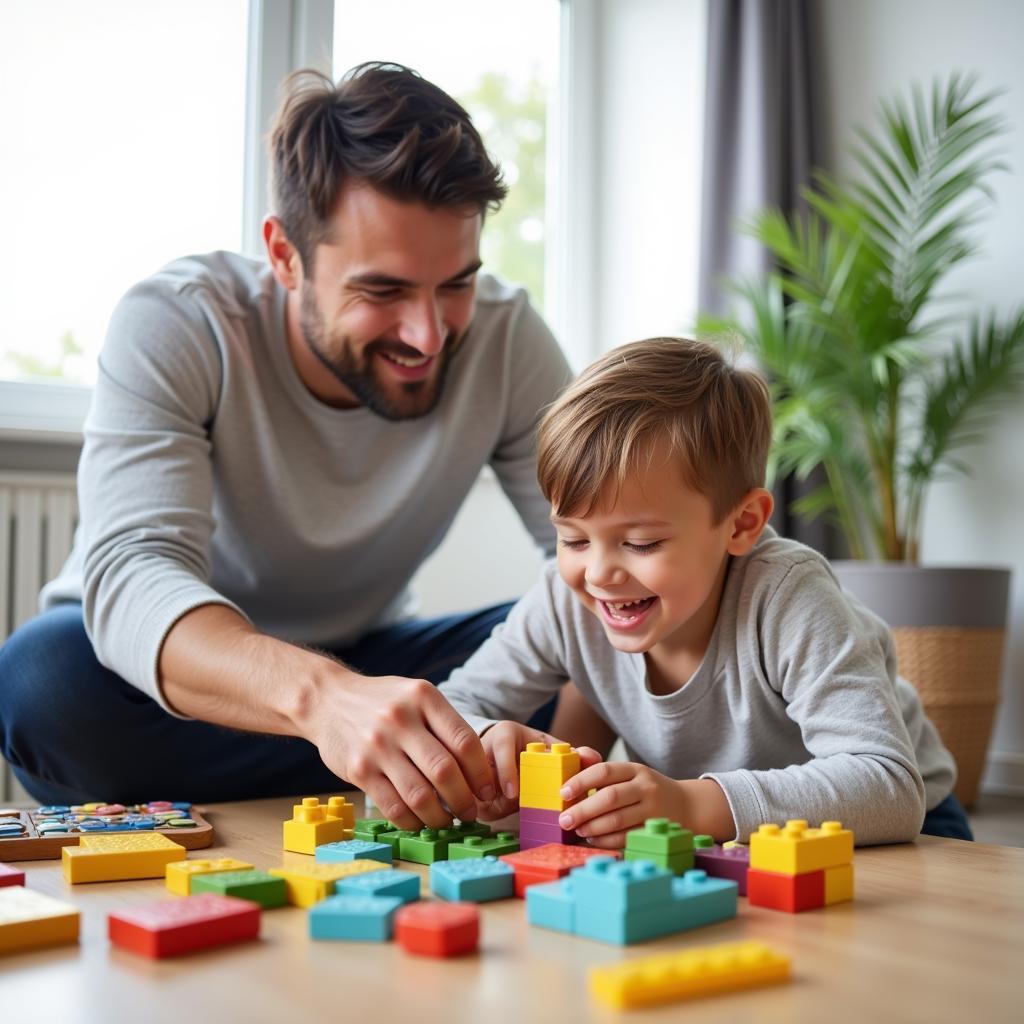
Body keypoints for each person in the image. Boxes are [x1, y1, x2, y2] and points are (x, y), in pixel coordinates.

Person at [0, 63, 574, 828]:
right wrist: (321, 700)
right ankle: (410, 760)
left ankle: (402, 759)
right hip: (196, 684)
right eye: (384, 291)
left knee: (602, 619)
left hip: (375, 667)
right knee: (42, 683)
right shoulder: (178, 321)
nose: (429, 335)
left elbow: (591, 556)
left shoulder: (508, 338)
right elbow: (134, 574)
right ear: (284, 256)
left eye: (457, 284)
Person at [439, 337, 973, 845]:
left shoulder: (788, 596)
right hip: (726, 835)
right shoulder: (562, 598)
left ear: (741, 524)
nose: (599, 573)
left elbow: (888, 786)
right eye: (573, 538)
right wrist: (484, 735)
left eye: (641, 543)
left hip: (901, 830)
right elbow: (456, 704)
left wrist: (693, 806)